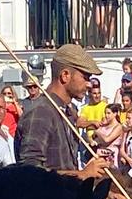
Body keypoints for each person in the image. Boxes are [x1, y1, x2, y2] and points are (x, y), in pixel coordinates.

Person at [15, 44, 110, 179]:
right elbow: (29, 172)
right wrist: (82, 174)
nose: (89, 84)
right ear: (65, 75)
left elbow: (65, 167)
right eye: (85, 77)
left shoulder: (67, 111)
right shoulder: (41, 112)